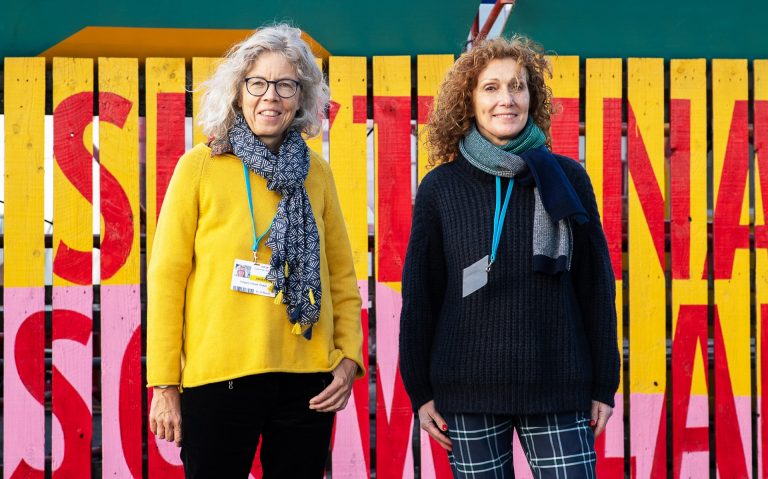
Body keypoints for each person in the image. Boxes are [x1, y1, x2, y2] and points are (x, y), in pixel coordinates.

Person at [146, 24, 365, 479]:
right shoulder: (200, 168)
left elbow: (340, 275)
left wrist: (347, 359)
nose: (271, 96)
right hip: (218, 378)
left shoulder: (317, 174)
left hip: (307, 380)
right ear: (238, 92)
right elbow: (167, 278)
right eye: (258, 83)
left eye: (286, 84)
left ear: (301, 97)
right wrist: (164, 383)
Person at [399, 36, 620, 478]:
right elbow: (421, 296)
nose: (507, 99)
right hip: (465, 391)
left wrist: (603, 385)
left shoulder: (568, 178)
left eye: (518, 87)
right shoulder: (441, 188)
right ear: (469, 100)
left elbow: (596, 287)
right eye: (491, 88)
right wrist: (419, 391)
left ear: (532, 98)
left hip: (557, 384)